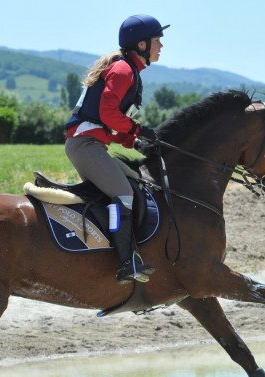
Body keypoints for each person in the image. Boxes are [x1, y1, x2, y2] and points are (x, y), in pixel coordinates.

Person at [63, 14, 168, 284]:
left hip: (92, 142)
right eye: (157, 40)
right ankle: (125, 262)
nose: (161, 46)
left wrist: (135, 142)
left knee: (135, 182)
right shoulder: (123, 71)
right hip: (85, 145)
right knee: (122, 193)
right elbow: (107, 114)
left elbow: (110, 125)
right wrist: (137, 129)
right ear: (141, 45)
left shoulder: (128, 70)